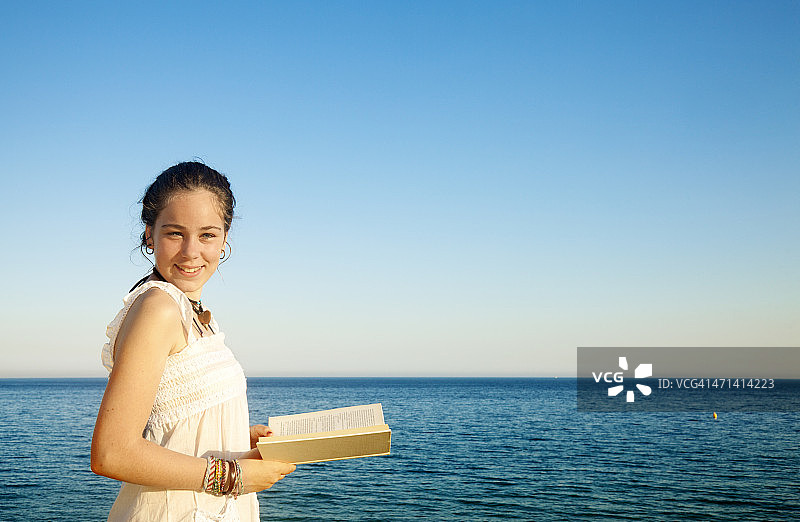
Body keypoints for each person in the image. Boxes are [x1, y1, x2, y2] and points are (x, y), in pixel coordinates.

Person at [91, 162, 295, 521]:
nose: (190, 251)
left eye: (207, 235)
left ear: (225, 238)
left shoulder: (195, 313)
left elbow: (164, 423)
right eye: (174, 233)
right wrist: (232, 477)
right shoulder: (160, 308)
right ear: (149, 235)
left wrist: (234, 434)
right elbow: (112, 452)